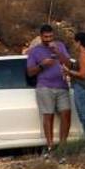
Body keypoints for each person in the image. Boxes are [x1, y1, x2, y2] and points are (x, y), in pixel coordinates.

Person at [25, 24, 73, 153]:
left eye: (50, 36)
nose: (48, 39)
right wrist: (42, 65)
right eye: (45, 37)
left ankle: (63, 145)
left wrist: (58, 53)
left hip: (62, 86)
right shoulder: (35, 51)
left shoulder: (60, 46)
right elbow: (30, 72)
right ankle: (50, 145)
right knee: (48, 116)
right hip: (44, 87)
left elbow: (69, 63)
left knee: (66, 114)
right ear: (41, 37)